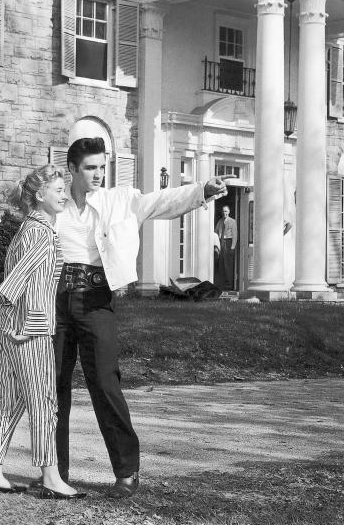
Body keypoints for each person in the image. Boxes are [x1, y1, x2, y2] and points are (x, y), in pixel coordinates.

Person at [53, 137, 230, 498]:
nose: (99, 174)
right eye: (90, 168)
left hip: (96, 300)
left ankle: (127, 473)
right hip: (53, 300)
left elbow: (161, 202)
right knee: (52, 389)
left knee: (104, 382)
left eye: (102, 166)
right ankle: (54, 474)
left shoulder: (120, 200)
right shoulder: (53, 203)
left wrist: (201, 190)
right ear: (71, 169)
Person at [0, 165, 87, 500]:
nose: (64, 195)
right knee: (43, 402)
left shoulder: (28, 227)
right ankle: (51, 477)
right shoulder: (42, 232)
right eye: (58, 190)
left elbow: (24, 272)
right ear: (40, 196)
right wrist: (2, 296)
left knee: (12, 401)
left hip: (11, 326)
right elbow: (23, 273)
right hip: (30, 328)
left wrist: (3, 304)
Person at [214, 205, 237, 291]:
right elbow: (215, 232)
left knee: (228, 265)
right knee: (221, 264)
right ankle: (222, 285)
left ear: (229, 212)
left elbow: (235, 235)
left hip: (228, 242)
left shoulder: (232, 221)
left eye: (226, 211)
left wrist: (232, 247)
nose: (225, 213)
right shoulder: (220, 221)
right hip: (221, 242)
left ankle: (229, 285)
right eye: (223, 211)